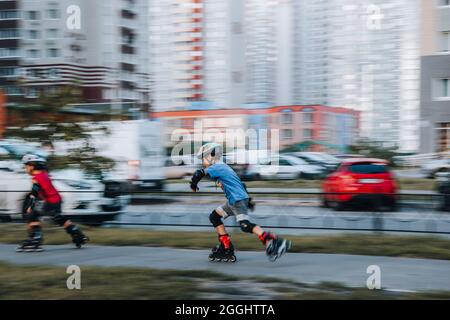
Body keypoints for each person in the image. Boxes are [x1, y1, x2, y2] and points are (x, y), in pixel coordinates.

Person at [190, 143, 291, 262]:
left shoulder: (217, 166)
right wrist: (248, 200)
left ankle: (274, 241)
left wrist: (193, 184)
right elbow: (241, 184)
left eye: (203, 157)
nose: (202, 161)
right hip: (233, 202)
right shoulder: (222, 167)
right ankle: (226, 246)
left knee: (245, 225)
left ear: (211, 155)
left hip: (237, 201)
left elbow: (199, 173)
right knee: (214, 217)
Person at [17, 154, 89, 252]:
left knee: (32, 215)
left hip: (51, 201)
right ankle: (78, 235)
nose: (25, 168)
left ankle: (35, 240)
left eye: (26, 166)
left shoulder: (36, 178)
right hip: (56, 200)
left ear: (32, 166)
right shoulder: (44, 174)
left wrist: (31, 206)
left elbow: (34, 193)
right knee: (58, 218)